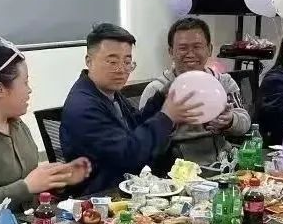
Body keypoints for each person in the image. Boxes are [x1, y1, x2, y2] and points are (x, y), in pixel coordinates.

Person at [0, 41, 90, 222]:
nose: (29, 90)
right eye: (25, 82)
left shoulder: (17, 125)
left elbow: (27, 183)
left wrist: (56, 180)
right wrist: (27, 186)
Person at [60, 23, 202, 195]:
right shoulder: (83, 107)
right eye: (112, 62)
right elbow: (128, 155)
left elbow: (135, 125)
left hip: (130, 185)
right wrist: (166, 117)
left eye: (127, 62)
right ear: (89, 61)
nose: (121, 70)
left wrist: (161, 97)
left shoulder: (108, 92)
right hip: (101, 195)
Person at [139, 17, 250, 164]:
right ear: (171, 52)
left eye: (197, 47)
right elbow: (144, 139)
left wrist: (230, 121)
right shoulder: (157, 90)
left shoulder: (223, 82)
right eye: (183, 48)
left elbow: (245, 122)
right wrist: (170, 121)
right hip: (177, 168)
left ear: (209, 49)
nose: (190, 54)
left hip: (223, 163)